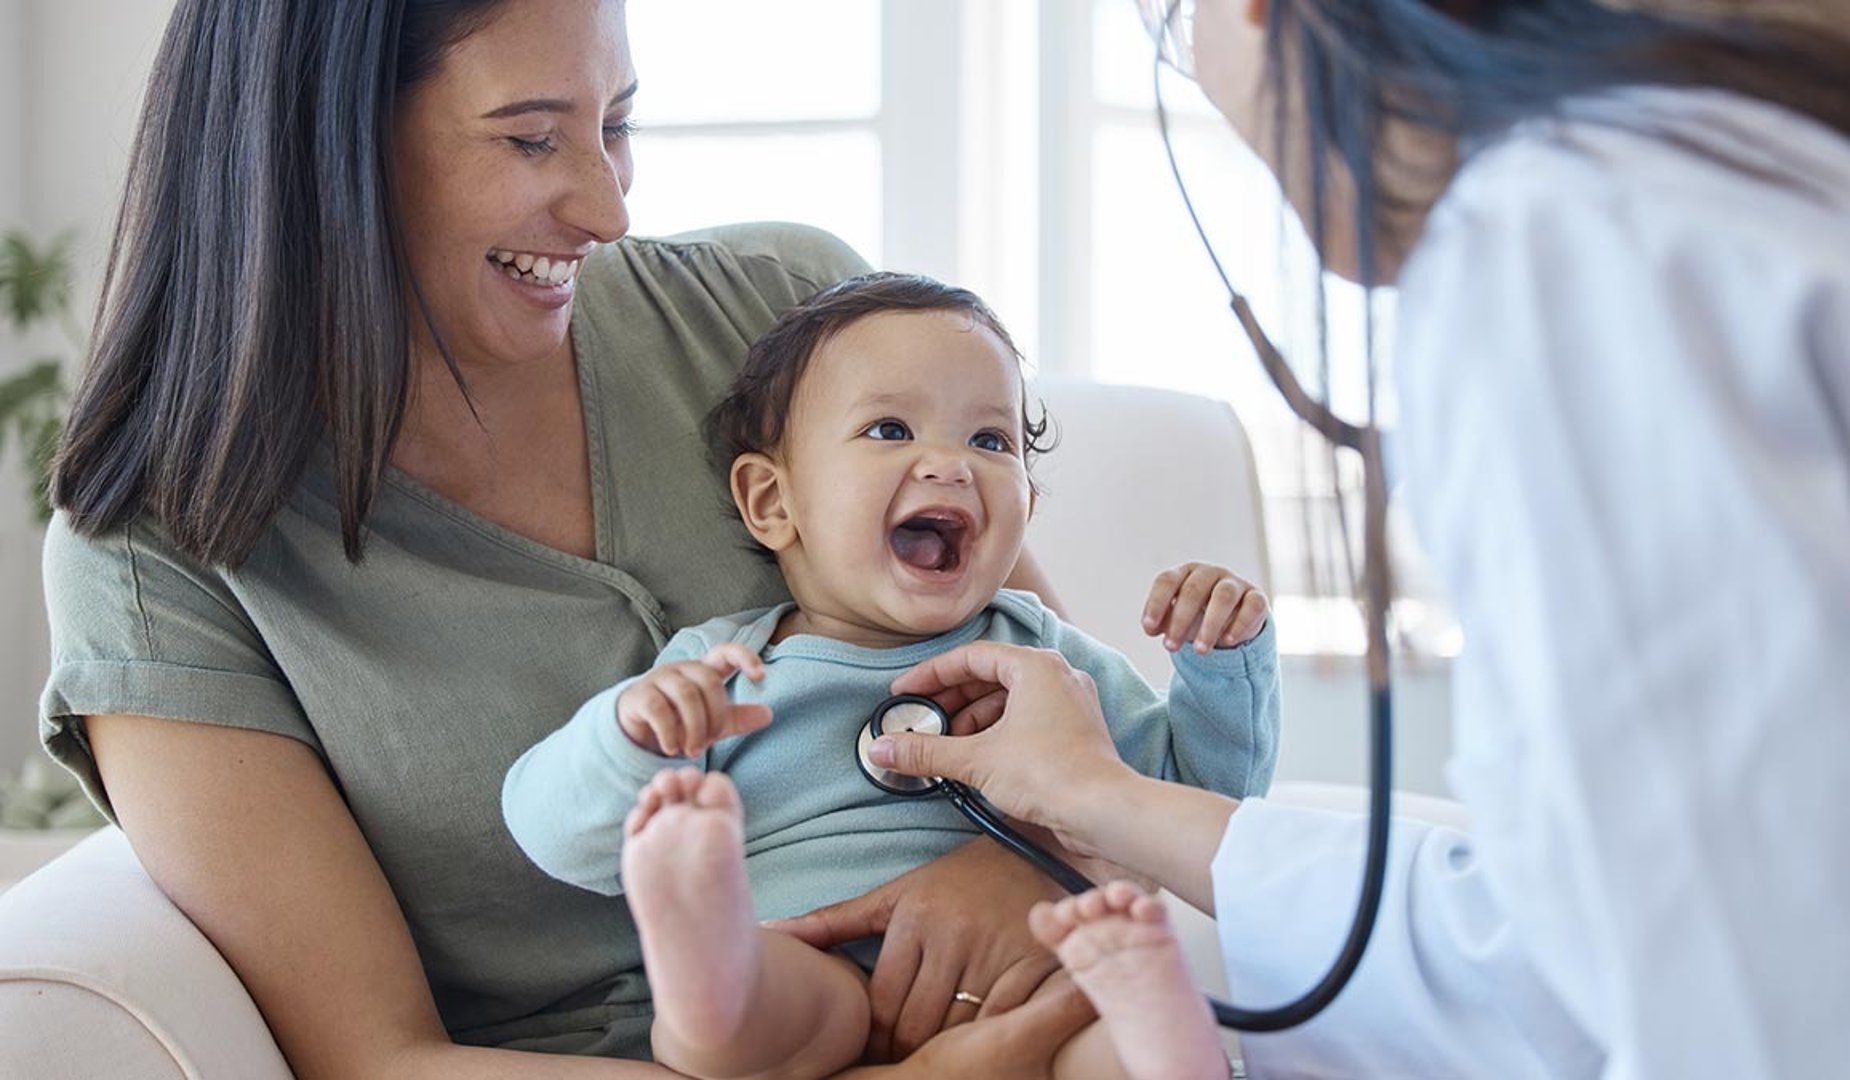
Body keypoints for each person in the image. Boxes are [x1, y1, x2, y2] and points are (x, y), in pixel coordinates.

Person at [35, 2, 1112, 1076]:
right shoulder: (150, 557)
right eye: (531, 137)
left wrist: (1023, 863)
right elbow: (378, 1059)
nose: (608, 211)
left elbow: (1082, 730)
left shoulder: (790, 318)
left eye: (619, 125)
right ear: (327, 153)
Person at [848, 1, 1850, 1078]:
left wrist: (1134, 767)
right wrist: (1098, 800)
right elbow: (1569, 945)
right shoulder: (1727, 181)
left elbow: (1752, 1005)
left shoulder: (1567, 245)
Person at [499, 272, 1280, 1080]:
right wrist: (633, 734)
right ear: (773, 501)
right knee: (748, 1023)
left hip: (1033, 973)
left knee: (1100, 1042)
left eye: (990, 441)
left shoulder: (1046, 662)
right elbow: (552, 832)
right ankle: (702, 949)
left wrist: (1219, 666)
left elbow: (1191, 802)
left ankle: (1159, 1027)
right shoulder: (727, 671)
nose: (948, 464)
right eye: (889, 429)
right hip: (811, 957)